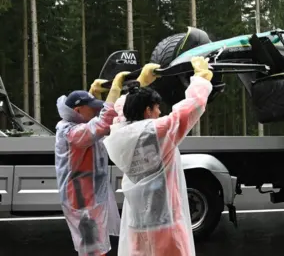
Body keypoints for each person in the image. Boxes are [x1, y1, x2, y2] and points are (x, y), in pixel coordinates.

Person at [102, 57, 213, 256]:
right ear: (147, 111)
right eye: (157, 108)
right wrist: (201, 78)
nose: (160, 112)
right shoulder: (157, 132)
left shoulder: (118, 133)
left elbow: (121, 108)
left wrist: (139, 85)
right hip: (165, 222)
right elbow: (191, 108)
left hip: (137, 222)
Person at [55, 71, 130, 256]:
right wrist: (115, 90)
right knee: (92, 249)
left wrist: (94, 94)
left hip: (89, 197)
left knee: (97, 245)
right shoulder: (70, 132)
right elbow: (102, 123)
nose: (96, 110)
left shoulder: (76, 124)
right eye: (91, 107)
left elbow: (95, 121)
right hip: (82, 201)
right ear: (78, 111)